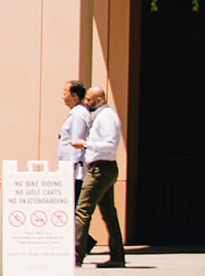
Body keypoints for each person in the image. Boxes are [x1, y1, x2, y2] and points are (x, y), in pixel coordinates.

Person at [72, 87, 126, 268]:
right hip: (103, 168)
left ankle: (76, 256)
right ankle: (118, 255)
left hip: (101, 169)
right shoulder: (103, 116)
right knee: (109, 213)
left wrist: (86, 144)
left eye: (89, 99)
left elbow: (110, 144)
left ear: (100, 99)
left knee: (82, 210)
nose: (86, 103)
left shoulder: (106, 117)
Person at [57, 80, 91, 209]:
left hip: (74, 172)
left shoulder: (78, 115)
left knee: (73, 208)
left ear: (75, 96)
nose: (63, 97)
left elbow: (78, 143)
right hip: (71, 169)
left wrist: (72, 168)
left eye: (65, 94)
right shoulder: (76, 113)